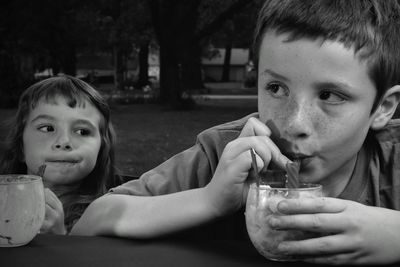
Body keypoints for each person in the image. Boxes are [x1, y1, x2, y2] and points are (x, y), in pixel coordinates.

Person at [71, 0, 400, 264]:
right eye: (276, 88)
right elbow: (90, 224)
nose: (293, 124)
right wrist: (209, 200)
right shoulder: (227, 155)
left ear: (383, 108)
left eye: (329, 96)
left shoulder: (393, 162)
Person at [0, 75, 121, 234]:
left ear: (101, 148)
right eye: (47, 128)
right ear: (21, 145)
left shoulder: (110, 216)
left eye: (82, 131)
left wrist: (59, 236)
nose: (63, 141)